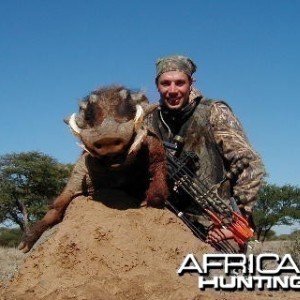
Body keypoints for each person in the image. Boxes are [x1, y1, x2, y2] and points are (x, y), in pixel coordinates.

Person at [146, 54, 265, 252]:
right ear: (157, 85)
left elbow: (249, 163)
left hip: (216, 226)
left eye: (180, 83)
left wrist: (240, 221)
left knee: (216, 277)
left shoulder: (213, 111)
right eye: (166, 83)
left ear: (191, 83)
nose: (173, 90)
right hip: (166, 222)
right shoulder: (149, 119)